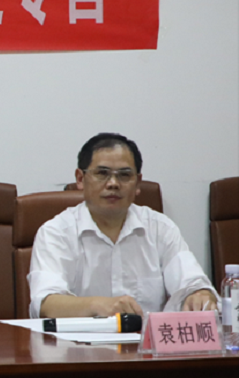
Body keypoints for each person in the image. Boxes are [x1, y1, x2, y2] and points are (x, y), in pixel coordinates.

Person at [28, 133, 218, 318]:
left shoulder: (160, 228)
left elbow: (192, 283)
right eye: (102, 173)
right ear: (80, 179)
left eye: (124, 175)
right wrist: (100, 305)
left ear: (138, 183)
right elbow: (46, 304)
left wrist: (200, 294)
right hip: (80, 340)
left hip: (146, 338)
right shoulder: (56, 232)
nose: (113, 183)